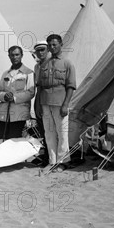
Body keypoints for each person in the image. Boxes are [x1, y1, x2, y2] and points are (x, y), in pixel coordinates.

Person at [37, 34, 76, 171]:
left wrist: (66, 104)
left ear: (61, 45)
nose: (52, 48)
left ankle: (64, 161)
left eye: (55, 44)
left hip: (60, 103)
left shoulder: (67, 63)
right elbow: (40, 86)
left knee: (62, 132)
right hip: (45, 102)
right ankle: (52, 161)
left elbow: (70, 86)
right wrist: (38, 105)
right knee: (49, 133)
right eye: (50, 45)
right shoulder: (44, 64)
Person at [0, 45, 35, 140]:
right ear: (9, 56)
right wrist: (4, 96)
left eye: (17, 55)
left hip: (19, 114)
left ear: (22, 55)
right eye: (12, 55)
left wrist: (14, 97)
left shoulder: (28, 73)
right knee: (0, 140)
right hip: (4, 114)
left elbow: (31, 92)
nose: (14, 57)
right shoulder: (6, 73)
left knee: (14, 141)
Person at [32, 41, 51, 166]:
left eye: (43, 49)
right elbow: (37, 86)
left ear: (47, 49)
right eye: (38, 50)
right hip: (40, 97)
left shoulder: (52, 63)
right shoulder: (37, 66)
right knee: (43, 129)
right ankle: (46, 155)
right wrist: (37, 104)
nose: (40, 53)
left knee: (51, 130)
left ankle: (53, 157)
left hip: (50, 99)